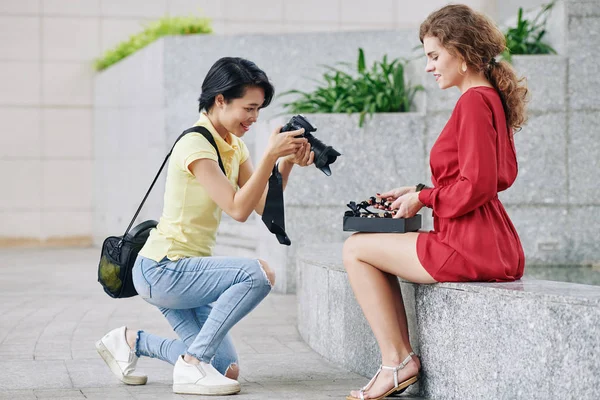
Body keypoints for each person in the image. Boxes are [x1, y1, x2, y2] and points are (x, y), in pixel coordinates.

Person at [95, 57, 314, 396]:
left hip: (188, 272)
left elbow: (261, 204)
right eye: (250, 108)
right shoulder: (195, 145)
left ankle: (129, 341)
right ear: (220, 100)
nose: (254, 118)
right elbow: (237, 209)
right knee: (258, 274)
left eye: (259, 110)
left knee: (227, 369)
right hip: (163, 269)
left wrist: (286, 162)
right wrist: (270, 156)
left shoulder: (234, 146)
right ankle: (192, 364)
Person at [343, 4, 528, 400]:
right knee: (365, 246)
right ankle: (397, 360)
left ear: (461, 54)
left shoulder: (473, 102)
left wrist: (425, 197)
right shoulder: (488, 97)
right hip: (489, 242)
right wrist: (416, 192)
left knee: (356, 248)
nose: (428, 67)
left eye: (434, 56)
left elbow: (478, 184)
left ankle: (396, 362)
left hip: (467, 247)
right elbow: (495, 176)